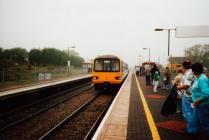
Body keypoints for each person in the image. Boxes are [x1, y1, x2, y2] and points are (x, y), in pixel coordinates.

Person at [177, 60, 197, 134]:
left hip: (187, 95)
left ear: (183, 66)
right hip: (193, 95)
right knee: (192, 113)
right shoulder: (192, 72)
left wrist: (178, 87)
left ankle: (191, 130)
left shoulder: (188, 73)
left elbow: (186, 85)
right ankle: (193, 128)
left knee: (187, 113)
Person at [191, 63, 209, 137]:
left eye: (192, 69)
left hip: (202, 105)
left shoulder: (202, 79)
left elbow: (206, 94)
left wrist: (197, 101)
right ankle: (194, 132)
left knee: (204, 124)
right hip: (197, 105)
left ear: (194, 71)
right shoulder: (198, 77)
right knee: (195, 121)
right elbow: (197, 89)